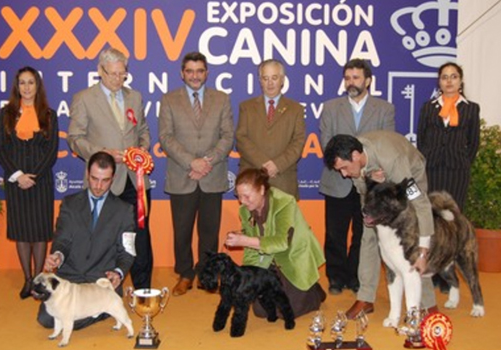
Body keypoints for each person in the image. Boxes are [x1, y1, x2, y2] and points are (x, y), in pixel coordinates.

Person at [323, 132, 438, 319]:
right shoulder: (354, 161)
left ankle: (427, 303)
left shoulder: (394, 160)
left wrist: (424, 249)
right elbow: (361, 189)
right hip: (377, 182)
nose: (344, 174)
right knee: (368, 233)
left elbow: (421, 204)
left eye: (344, 168)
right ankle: (365, 297)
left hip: (409, 172)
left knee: (411, 239)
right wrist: (367, 178)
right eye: (340, 171)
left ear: (355, 156)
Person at [67, 47, 153, 289]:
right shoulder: (84, 98)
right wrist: (101, 154)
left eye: (122, 74)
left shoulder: (135, 96)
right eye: (113, 74)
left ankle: (143, 289)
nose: (118, 79)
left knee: (140, 236)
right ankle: (97, 289)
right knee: (100, 236)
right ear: (100, 71)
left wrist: (142, 150)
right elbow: (74, 138)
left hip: (134, 180)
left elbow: (143, 130)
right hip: (102, 181)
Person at [158, 52, 234, 296]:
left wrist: (206, 162)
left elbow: (227, 136)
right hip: (183, 175)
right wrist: (192, 162)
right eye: (190, 71)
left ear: (206, 73)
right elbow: (166, 137)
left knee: (210, 231)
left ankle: (206, 274)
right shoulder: (169, 100)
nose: (195, 76)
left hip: (212, 175)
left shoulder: (221, 99)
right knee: (182, 231)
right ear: (182, 73)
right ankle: (185, 274)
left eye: (199, 71)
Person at [319, 58, 395, 295]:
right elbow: (327, 145)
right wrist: (348, 166)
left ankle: (356, 277)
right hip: (337, 181)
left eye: (356, 77)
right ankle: (335, 277)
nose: (351, 82)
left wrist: (364, 172)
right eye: (348, 78)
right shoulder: (331, 108)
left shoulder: (384, 109)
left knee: (364, 234)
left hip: (370, 183)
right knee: (335, 233)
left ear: (368, 81)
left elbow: (386, 145)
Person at [37, 151, 136, 329]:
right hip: (70, 278)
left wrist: (119, 272)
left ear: (112, 178)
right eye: (94, 178)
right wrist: (58, 255)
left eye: (105, 180)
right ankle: (101, 310)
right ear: (87, 175)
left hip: (100, 281)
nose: (98, 186)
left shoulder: (125, 210)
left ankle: (101, 306)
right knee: (47, 319)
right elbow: (62, 238)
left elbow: (127, 251)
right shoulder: (69, 203)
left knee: (68, 319)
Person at [225, 168, 326, 318]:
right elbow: (251, 245)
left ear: (261, 189)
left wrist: (244, 240)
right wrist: (248, 276)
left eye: (247, 196)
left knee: (289, 312)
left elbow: (281, 242)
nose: (242, 201)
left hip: (295, 256)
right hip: (270, 261)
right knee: (261, 311)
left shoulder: (284, 202)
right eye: (239, 196)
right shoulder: (244, 211)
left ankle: (313, 291)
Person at [0, 66, 58, 299]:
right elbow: (0, 150)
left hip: (41, 183)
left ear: (37, 86)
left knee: (40, 233)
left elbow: (51, 152)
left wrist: (34, 177)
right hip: (15, 182)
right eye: (22, 83)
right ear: (16, 86)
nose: (27, 87)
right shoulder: (6, 114)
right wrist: (18, 176)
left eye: (31, 82)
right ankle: (27, 280)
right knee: (22, 232)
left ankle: (39, 280)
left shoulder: (49, 115)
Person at [235, 59, 305, 199]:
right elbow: (241, 139)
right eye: (265, 78)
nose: (270, 83)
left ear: (282, 80)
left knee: (283, 221)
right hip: (253, 180)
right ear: (260, 81)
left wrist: (277, 165)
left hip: (283, 179)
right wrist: (264, 166)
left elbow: (298, 143)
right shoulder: (246, 107)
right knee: (253, 221)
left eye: (274, 78)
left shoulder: (295, 109)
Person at [417, 62, 480, 211]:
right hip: (432, 168)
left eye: (454, 77)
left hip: (457, 169)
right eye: (444, 77)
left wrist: (463, 160)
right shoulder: (428, 107)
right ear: (439, 82)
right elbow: (421, 139)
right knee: (432, 211)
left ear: (460, 81)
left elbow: (474, 141)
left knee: (454, 213)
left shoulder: (471, 108)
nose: (449, 81)